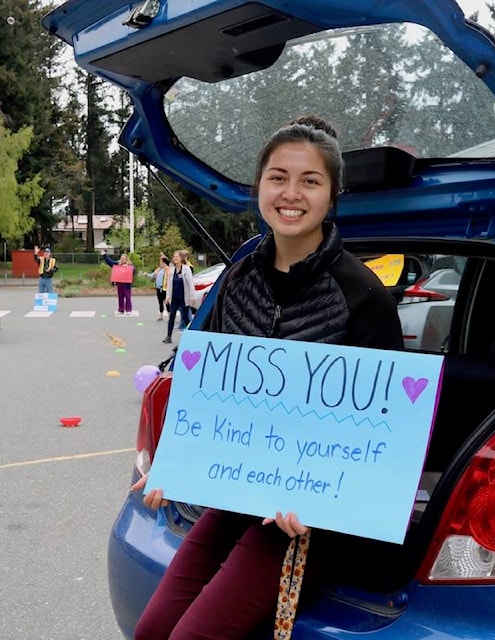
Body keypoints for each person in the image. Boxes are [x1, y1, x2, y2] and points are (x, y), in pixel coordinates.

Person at [132, 115, 403, 640]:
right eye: (278, 177)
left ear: (331, 195)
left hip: (313, 518)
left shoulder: (362, 294)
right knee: (152, 631)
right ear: (259, 185)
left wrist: (320, 501)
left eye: (310, 180)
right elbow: (204, 386)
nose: (291, 193)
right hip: (240, 493)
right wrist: (176, 462)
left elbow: (383, 435)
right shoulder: (239, 276)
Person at [162, 250, 194, 343]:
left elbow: (190, 283)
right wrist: (168, 296)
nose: (175, 258)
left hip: (184, 297)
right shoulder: (172, 269)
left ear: (181, 258)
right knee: (171, 316)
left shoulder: (186, 269)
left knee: (185, 318)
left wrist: (192, 296)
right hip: (175, 297)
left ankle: (191, 335)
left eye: (177, 257)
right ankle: (168, 336)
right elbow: (169, 284)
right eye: (174, 256)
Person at [103, 250, 135, 314]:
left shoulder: (130, 265)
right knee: (120, 297)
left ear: (126, 259)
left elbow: (133, 271)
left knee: (127, 296)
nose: (122, 260)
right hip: (120, 283)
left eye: (124, 259)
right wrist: (104, 255)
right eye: (121, 258)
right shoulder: (118, 264)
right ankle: (121, 309)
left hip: (127, 284)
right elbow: (110, 262)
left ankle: (128, 310)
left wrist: (127, 268)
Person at [146, 255, 170, 320]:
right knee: (160, 301)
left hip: (165, 288)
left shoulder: (168, 269)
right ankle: (161, 315)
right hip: (158, 287)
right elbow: (153, 275)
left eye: (162, 262)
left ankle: (169, 315)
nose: (160, 263)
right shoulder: (159, 269)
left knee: (166, 302)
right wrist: (146, 274)